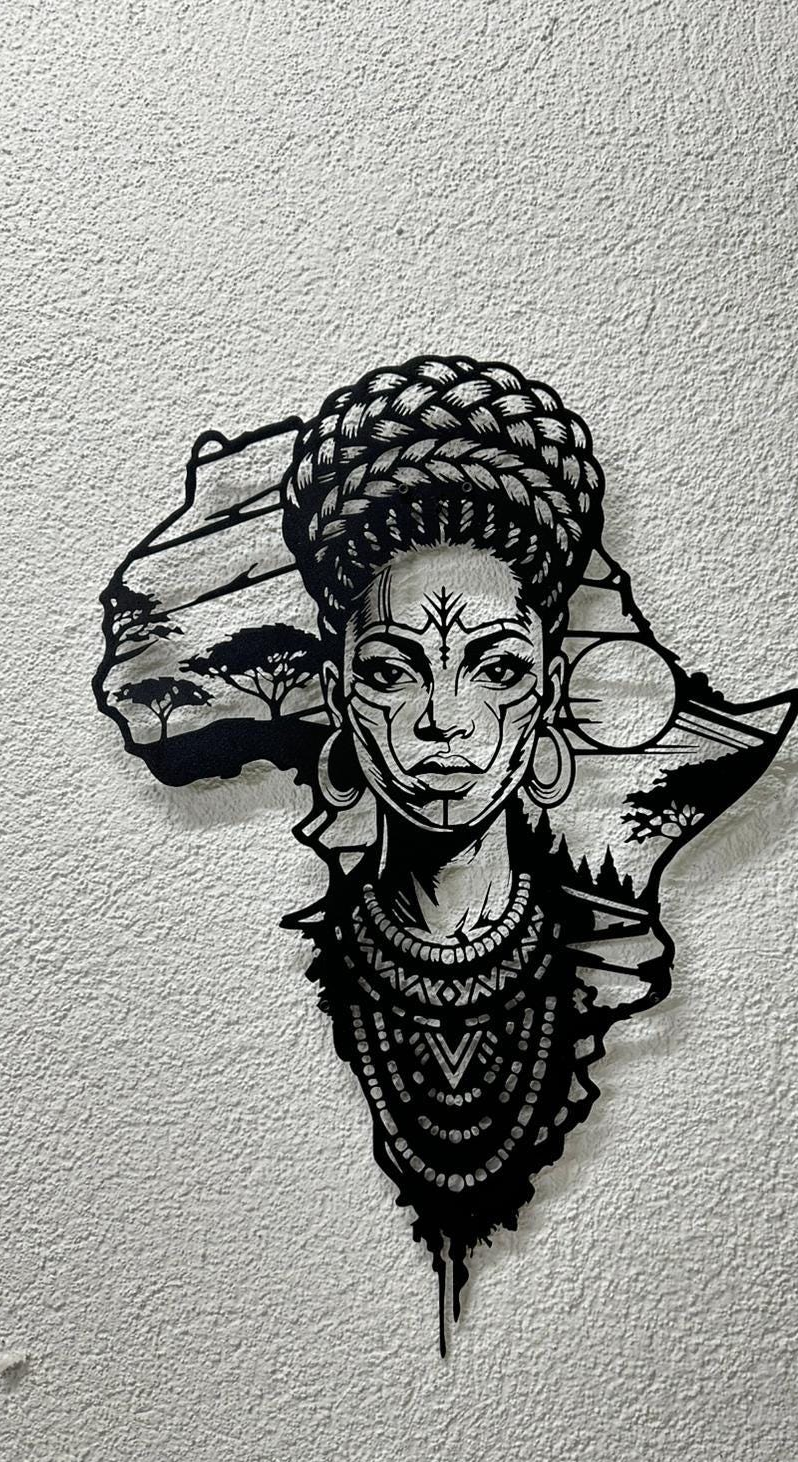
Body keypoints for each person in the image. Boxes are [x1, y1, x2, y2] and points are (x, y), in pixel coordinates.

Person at [278, 356, 672, 1349]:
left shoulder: (618, 963)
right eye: (391, 671)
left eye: (495, 668)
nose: (444, 721)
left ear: (547, 694)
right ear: (337, 692)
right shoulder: (300, 967)